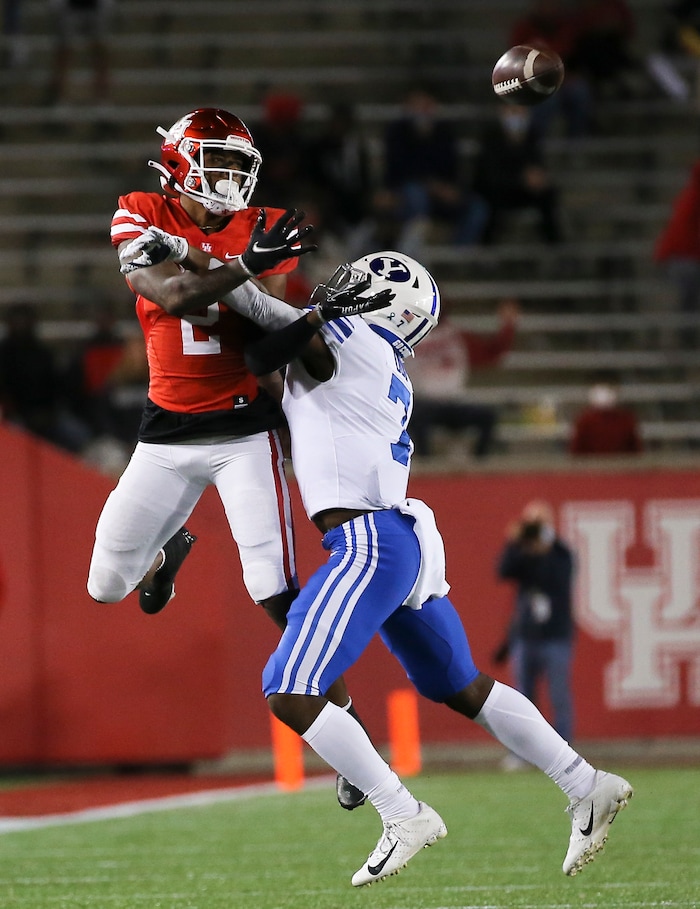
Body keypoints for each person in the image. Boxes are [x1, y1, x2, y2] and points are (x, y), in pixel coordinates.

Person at [119, 239, 633, 885]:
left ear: (380, 296)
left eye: (358, 281)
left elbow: (256, 323)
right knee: (463, 686)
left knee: (288, 687)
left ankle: (402, 811)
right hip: (399, 535)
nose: (338, 287)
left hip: (369, 540)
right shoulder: (380, 360)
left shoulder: (346, 335)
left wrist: (196, 260)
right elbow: (274, 370)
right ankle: (585, 783)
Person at [89, 107, 369, 810]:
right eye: (218, 163)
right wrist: (238, 265)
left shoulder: (264, 225)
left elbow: (257, 322)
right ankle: (166, 554)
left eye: (240, 165)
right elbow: (174, 294)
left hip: (245, 429)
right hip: (165, 432)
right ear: (181, 163)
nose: (232, 179)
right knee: (103, 585)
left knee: (275, 588)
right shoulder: (137, 209)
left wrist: (239, 268)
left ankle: (347, 728)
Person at [495, 500, 576, 766]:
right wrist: (516, 543)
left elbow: (557, 578)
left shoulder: (560, 552)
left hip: (556, 635)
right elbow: (504, 570)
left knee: (558, 695)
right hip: (526, 635)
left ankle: (564, 754)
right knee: (523, 699)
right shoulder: (523, 552)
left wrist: (544, 549)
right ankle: (523, 753)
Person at [376, 85, 485, 257]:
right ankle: (412, 252)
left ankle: (456, 258)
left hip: (441, 193)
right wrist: (429, 184)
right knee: (416, 195)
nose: (422, 109)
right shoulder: (397, 132)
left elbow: (452, 169)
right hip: (408, 192)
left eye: (426, 104)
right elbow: (398, 170)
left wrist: (450, 189)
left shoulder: (445, 132)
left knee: (477, 208)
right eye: (417, 104)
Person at [406, 299, 519, 460]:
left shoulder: (457, 338)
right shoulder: (410, 335)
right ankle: (426, 464)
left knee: (488, 416)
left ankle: (479, 465)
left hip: (454, 403)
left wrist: (508, 325)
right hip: (423, 403)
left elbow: (493, 352)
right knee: (415, 416)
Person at [0, 302, 91, 453]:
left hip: (48, 415)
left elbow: (56, 387)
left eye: (25, 320)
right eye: (17, 321)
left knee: (80, 435)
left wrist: (49, 413)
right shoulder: (3, 354)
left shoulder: (43, 353)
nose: (21, 325)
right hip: (15, 417)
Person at [471, 104, 564, 245]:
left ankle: (554, 244)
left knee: (547, 193)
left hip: (523, 190)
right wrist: (521, 179)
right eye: (513, 111)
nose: (517, 116)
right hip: (497, 190)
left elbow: (537, 163)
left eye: (521, 111)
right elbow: (489, 175)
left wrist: (537, 177)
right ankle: (486, 248)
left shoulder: (531, 135)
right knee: (492, 202)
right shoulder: (491, 137)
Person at [654, 157, 700, 348]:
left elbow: (675, 229)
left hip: (687, 259)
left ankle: (684, 338)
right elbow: (677, 229)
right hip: (688, 260)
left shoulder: (689, 198)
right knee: (686, 303)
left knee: (687, 303)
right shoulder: (691, 199)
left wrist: (662, 253)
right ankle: (684, 339)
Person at [47, 0, 114, 105]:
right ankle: (60, 98)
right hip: (69, 9)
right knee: (64, 52)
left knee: (100, 53)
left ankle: (103, 98)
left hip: (96, 8)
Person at [568, 379, 643, 455]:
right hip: (592, 465)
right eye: (600, 390)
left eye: (609, 390)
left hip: (621, 464)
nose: (605, 394)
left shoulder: (626, 419)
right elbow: (576, 451)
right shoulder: (584, 420)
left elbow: (635, 450)